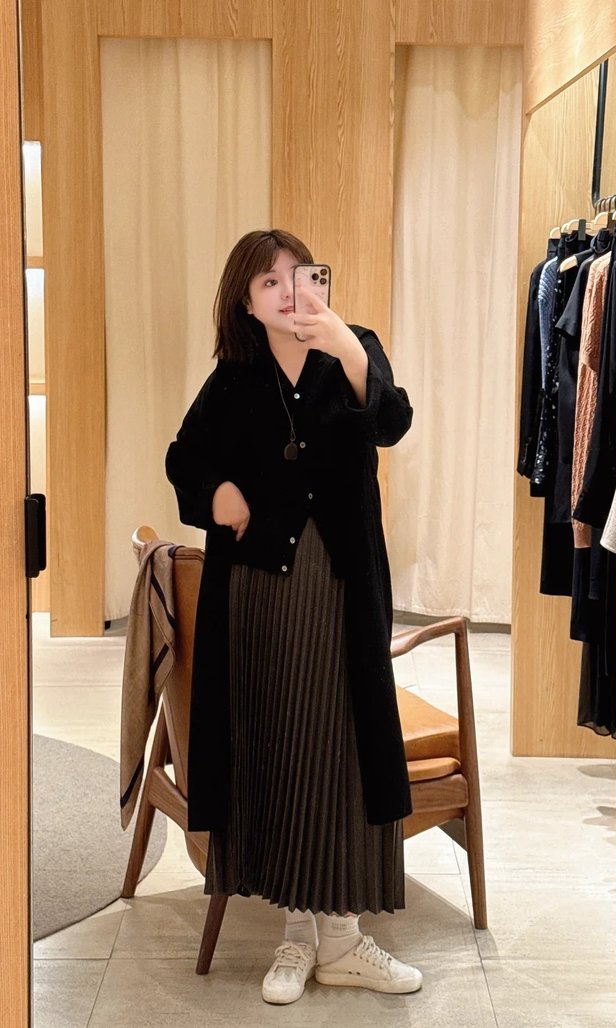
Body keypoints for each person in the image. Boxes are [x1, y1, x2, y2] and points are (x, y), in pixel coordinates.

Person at [165, 229, 421, 1005]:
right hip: (259, 591)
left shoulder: (353, 349)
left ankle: (341, 939)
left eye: (298, 275)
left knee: (341, 748)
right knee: (275, 742)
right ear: (246, 302)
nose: (288, 291)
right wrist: (217, 494)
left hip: (341, 585)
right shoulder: (234, 375)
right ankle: (297, 938)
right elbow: (185, 456)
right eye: (268, 282)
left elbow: (392, 421)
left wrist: (346, 347)